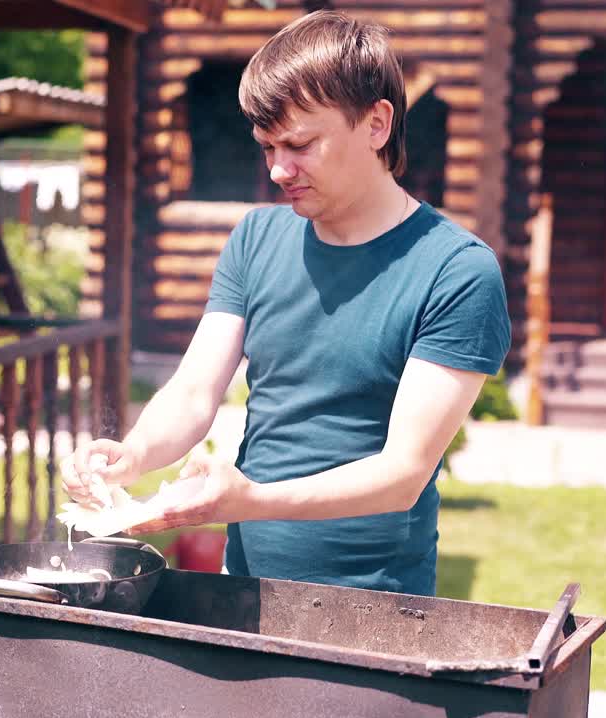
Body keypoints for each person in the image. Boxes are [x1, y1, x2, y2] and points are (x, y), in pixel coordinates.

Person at [61, 11, 511, 596]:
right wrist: (134, 454)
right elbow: (194, 392)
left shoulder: (457, 270)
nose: (278, 169)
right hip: (244, 588)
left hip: (377, 605)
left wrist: (250, 500)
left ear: (376, 124)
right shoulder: (256, 238)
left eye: (300, 144)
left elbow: (403, 473)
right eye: (267, 146)